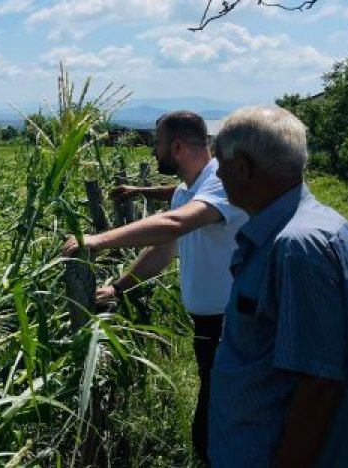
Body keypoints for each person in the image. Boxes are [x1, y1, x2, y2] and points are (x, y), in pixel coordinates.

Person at [62, 111, 247, 463]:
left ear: (176, 146)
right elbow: (162, 250)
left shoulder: (221, 183)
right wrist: (118, 287)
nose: (152, 152)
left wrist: (97, 240)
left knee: (220, 422)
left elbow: (174, 225)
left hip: (235, 324)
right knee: (214, 416)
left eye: (157, 144)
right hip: (211, 326)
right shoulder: (185, 191)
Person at [208, 106, 348, 467]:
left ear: (242, 168)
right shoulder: (324, 226)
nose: (217, 174)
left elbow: (319, 384)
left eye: (220, 164)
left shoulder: (295, 247)